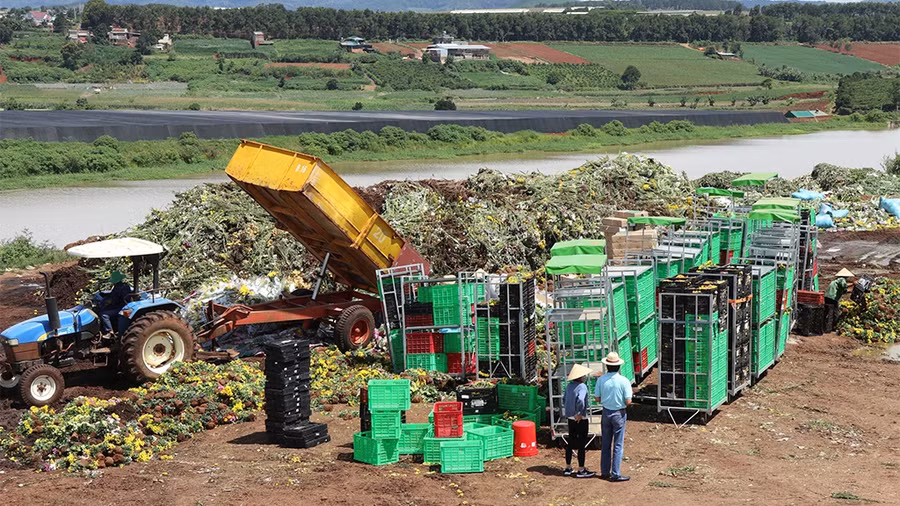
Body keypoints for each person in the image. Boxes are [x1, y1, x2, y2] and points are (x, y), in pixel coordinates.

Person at [594, 352, 632, 482]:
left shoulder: (601, 380)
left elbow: (597, 399)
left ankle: (605, 471)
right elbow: (628, 401)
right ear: (619, 366)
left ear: (607, 366)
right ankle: (615, 473)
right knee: (618, 444)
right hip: (619, 413)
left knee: (606, 443)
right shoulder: (624, 381)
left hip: (606, 412)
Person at [562, 363, 595, 478]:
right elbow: (581, 400)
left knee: (570, 441)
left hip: (570, 417)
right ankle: (581, 469)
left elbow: (564, 399)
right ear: (581, 377)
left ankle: (568, 467)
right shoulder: (582, 387)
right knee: (581, 443)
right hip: (580, 418)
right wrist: (580, 413)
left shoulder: (569, 386)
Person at [824, 268, 854, 333]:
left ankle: (829, 327)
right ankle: (829, 328)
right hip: (832, 298)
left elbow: (844, 290)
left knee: (830, 313)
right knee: (833, 314)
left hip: (828, 297)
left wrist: (851, 290)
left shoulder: (836, 281)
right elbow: (844, 285)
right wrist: (853, 284)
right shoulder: (841, 279)